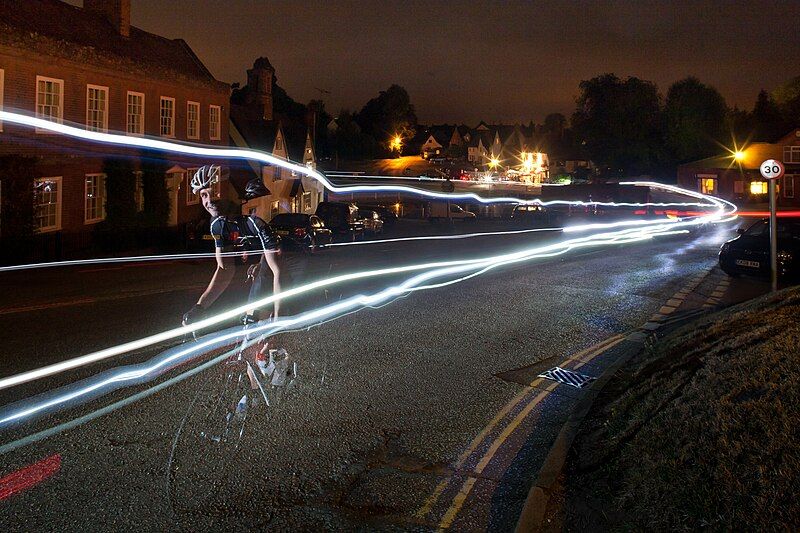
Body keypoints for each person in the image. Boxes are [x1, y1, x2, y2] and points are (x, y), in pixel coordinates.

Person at [182, 165, 281, 327]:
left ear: (228, 191)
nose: (209, 201)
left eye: (213, 193)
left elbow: (277, 271)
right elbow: (224, 269)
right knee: (252, 319)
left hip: (293, 259)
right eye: (204, 195)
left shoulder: (253, 218)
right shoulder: (217, 224)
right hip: (268, 262)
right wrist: (199, 308)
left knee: (260, 316)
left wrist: (278, 319)